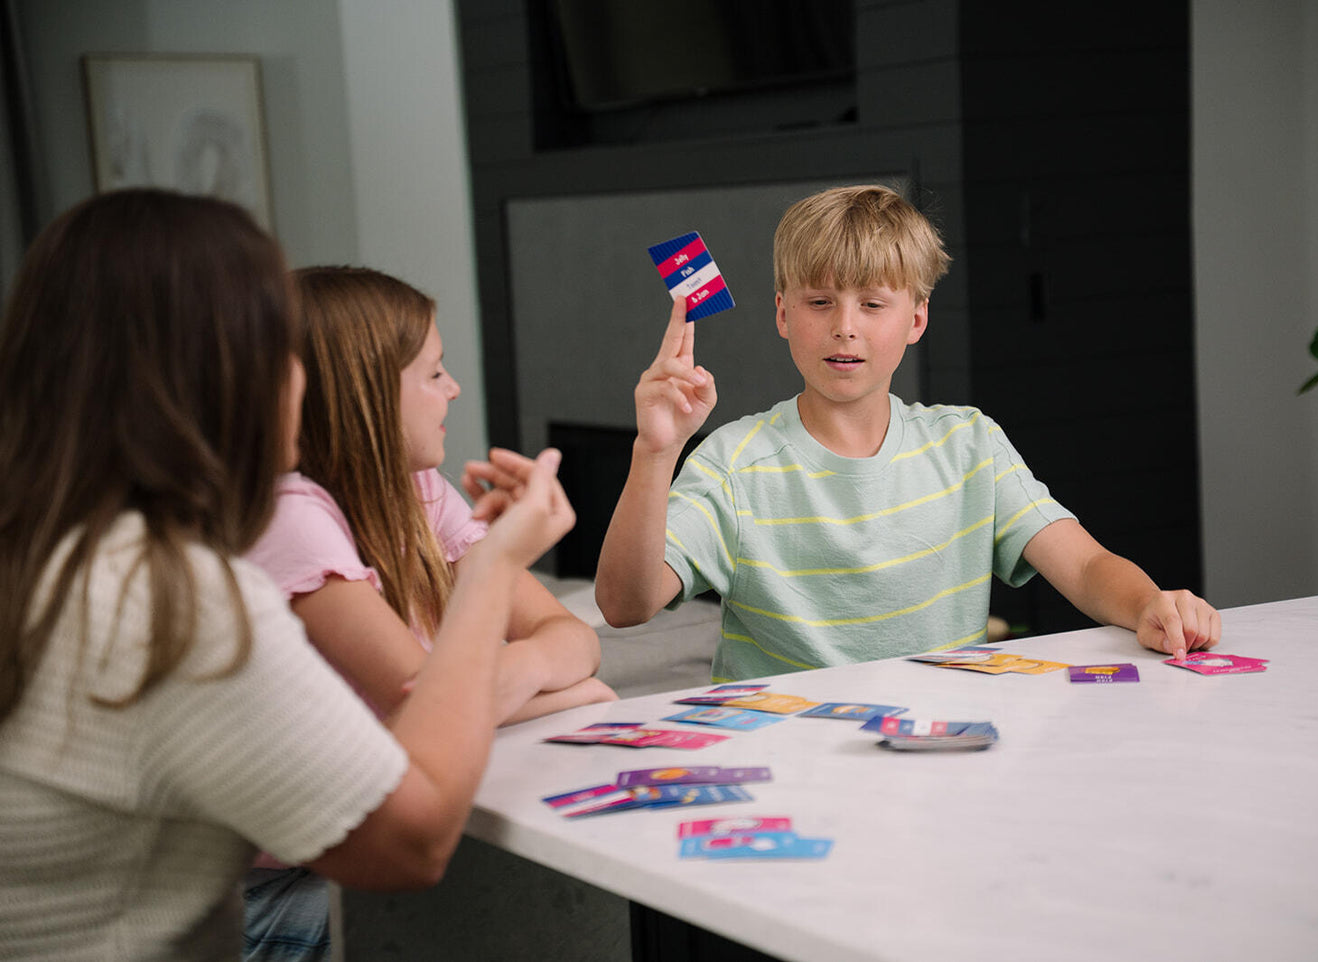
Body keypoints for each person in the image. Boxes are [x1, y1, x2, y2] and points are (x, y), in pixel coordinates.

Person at [0, 188, 576, 960]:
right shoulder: (175, 599)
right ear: (228, 374)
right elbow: (409, 844)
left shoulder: (49, 547)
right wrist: (492, 573)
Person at [595, 184, 1221, 683]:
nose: (845, 327)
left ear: (916, 318)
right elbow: (627, 605)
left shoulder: (969, 445)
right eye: (819, 303)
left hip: (942, 745)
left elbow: (1084, 568)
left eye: (872, 304)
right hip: (786, 759)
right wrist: (656, 451)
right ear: (783, 314)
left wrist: (1146, 604)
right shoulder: (733, 462)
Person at [240, 266, 614, 959]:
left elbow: (569, 640)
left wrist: (522, 668)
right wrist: (547, 685)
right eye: (434, 374)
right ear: (366, 391)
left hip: (352, 836)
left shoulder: (417, 490)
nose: (454, 391)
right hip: (270, 897)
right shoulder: (289, 513)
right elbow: (424, 707)